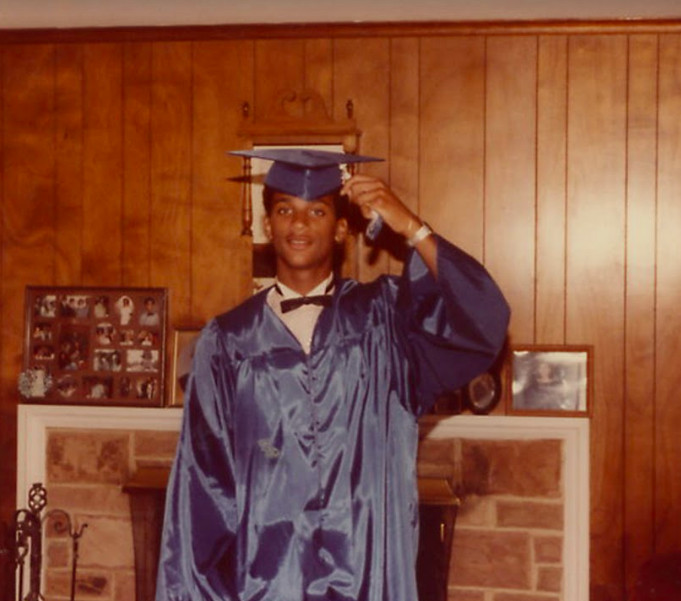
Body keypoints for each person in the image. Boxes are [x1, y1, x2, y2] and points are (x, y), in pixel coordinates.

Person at [156, 148, 511, 601]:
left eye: (317, 211)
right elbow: (202, 487)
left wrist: (411, 227)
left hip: (368, 573)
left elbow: (481, 321)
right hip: (267, 580)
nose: (299, 224)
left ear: (342, 229)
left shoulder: (385, 322)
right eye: (285, 209)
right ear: (269, 225)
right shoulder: (227, 342)